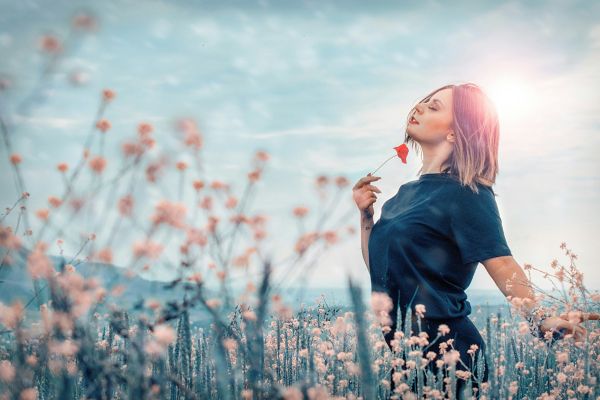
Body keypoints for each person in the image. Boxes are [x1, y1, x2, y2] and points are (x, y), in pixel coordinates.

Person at [352, 83, 596, 399]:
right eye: (423, 101)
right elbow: (380, 270)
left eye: (434, 106)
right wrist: (366, 218)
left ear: (455, 133)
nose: (420, 107)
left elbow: (502, 261)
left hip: (450, 354)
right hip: (406, 357)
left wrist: (539, 317)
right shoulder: (402, 196)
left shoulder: (468, 192)